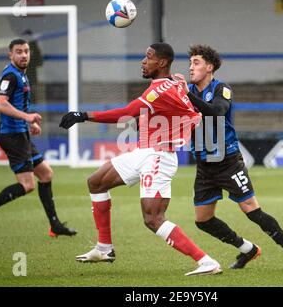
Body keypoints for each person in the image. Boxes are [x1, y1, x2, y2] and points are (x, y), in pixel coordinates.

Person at [59, 42, 222, 276]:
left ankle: (206, 261)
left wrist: (83, 115)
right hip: (144, 151)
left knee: (153, 218)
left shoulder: (161, 89)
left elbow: (125, 113)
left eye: (148, 57)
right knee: (96, 181)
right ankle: (104, 248)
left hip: (158, 157)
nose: (143, 62)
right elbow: (185, 113)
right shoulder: (168, 86)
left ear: (162, 62)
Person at [175, 44, 283, 271]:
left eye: (196, 63)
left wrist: (184, 94)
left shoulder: (221, 89)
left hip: (227, 160)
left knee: (252, 210)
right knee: (203, 221)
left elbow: (216, 111)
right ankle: (247, 249)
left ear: (210, 67)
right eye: (190, 63)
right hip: (204, 164)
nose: (191, 68)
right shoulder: (189, 93)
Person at [0, 38, 77, 238]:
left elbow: (17, 104)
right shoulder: (11, 76)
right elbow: (0, 103)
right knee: (28, 185)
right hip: (12, 136)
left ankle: (55, 225)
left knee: (46, 174)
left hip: (21, 133)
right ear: (10, 55)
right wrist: (27, 117)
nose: (23, 55)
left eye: (26, 51)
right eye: (19, 51)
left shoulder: (21, 74)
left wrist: (30, 123)